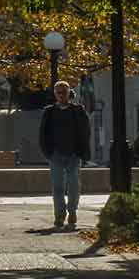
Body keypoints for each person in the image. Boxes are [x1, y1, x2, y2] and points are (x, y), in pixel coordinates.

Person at [39, 80, 91, 231]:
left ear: (69, 93)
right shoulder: (49, 111)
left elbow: (85, 131)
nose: (61, 95)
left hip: (74, 153)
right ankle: (59, 216)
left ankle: (72, 211)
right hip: (55, 154)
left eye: (64, 92)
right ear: (55, 94)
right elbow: (43, 133)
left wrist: (83, 151)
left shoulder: (78, 110)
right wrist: (47, 151)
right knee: (58, 187)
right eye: (58, 93)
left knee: (74, 184)